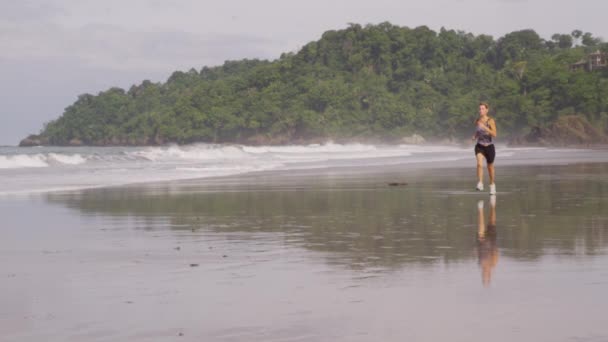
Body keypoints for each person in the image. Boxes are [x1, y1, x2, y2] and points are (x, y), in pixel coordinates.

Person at [472, 102, 497, 194]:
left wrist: (485, 128)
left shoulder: (490, 120)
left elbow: (494, 134)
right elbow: (478, 131)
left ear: (487, 110)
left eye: (483, 109)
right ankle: (480, 183)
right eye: (480, 109)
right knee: (479, 164)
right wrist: (474, 136)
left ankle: (492, 184)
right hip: (479, 146)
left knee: (490, 167)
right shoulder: (477, 121)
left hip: (489, 146)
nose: (481, 110)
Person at [477, 195, 498, 287]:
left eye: (484, 276)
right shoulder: (493, 264)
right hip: (491, 242)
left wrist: (476, 248)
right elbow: (496, 253)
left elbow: (478, 252)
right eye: (485, 275)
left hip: (483, 242)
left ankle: (484, 208)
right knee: (492, 222)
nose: (484, 273)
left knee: (489, 224)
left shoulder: (480, 263)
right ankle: (489, 206)